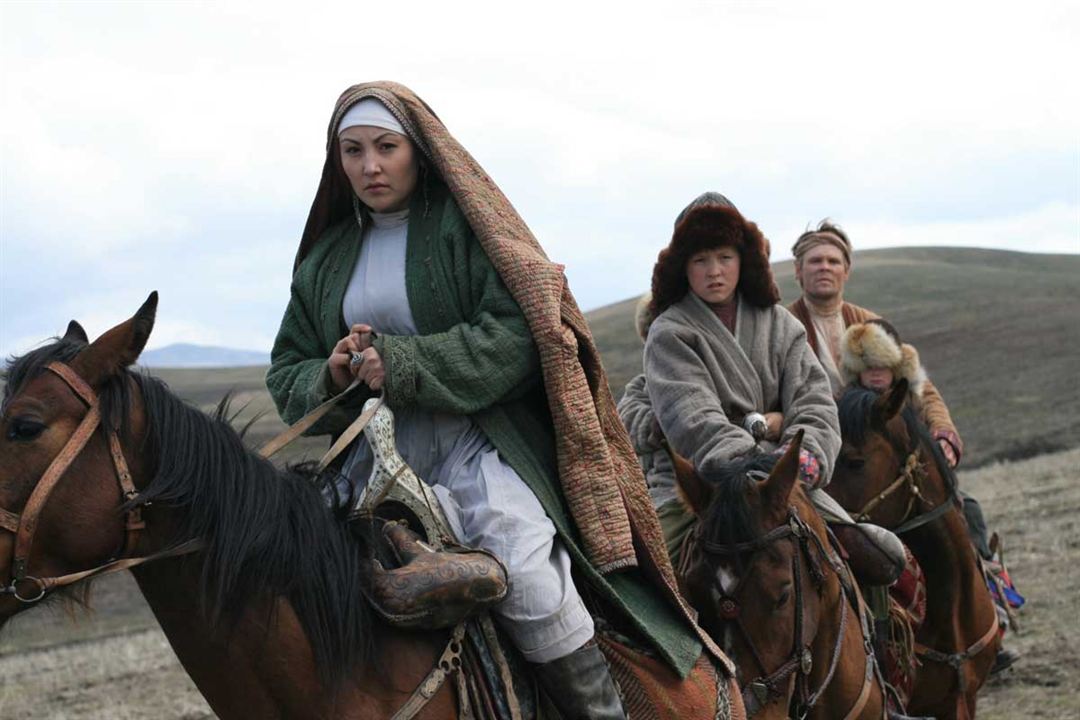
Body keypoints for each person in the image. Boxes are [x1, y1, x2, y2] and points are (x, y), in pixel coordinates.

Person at [266, 82, 728, 718]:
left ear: (419, 152)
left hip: (476, 443)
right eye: (352, 151)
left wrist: (404, 362)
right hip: (371, 455)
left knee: (526, 570)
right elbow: (287, 368)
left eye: (385, 147)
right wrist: (334, 372)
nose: (369, 166)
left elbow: (516, 338)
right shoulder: (326, 258)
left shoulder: (466, 230)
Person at [640, 193, 907, 579]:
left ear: (743, 260)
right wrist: (757, 471)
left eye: (725, 257)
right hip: (701, 487)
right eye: (700, 260)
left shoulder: (781, 324)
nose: (714, 271)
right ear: (683, 267)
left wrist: (804, 460)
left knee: (879, 560)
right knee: (651, 584)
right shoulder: (669, 333)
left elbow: (814, 403)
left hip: (787, 481)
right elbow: (692, 419)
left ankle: (883, 639)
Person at [839, 319, 1022, 675]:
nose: (876, 374)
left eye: (882, 366)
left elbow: (935, 410)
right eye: (867, 367)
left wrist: (945, 438)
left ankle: (991, 598)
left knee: (968, 510)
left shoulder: (912, 392)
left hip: (924, 489)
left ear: (897, 365)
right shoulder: (850, 403)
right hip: (877, 496)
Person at [787, 221, 964, 469]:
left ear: (846, 271)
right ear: (798, 270)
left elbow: (919, 387)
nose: (824, 267)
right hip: (813, 446)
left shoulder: (871, 324)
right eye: (815, 261)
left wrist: (944, 432)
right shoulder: (782, 327)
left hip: (874, 447)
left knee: (964, 507)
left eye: (833, 261)